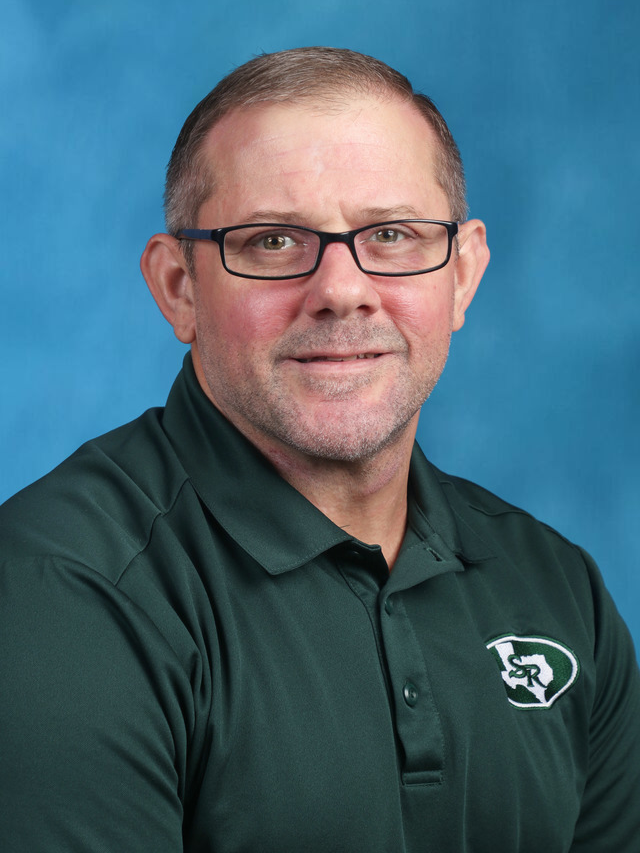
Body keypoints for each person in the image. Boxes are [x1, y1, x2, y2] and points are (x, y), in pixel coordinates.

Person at [1, 47, 638, 853]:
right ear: (179, 288)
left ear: (464, 277)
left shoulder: (556, 590)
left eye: (394, 234)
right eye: (272, 241)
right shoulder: (62, 594)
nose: (342, 289)